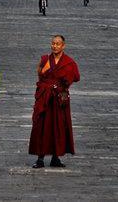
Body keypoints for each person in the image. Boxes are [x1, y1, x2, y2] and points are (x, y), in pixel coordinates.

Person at [29, 35, 80, 169]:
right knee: (42, 126)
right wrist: (44, 73)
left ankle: (55, 158)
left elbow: (75, 77)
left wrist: (60, 87)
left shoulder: (69, 62)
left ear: (63, 46)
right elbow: (40, 74)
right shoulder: (45, 59)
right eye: (53, 44)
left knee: (59, 126)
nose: (55, 46)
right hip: (45, 98)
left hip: (59, 99)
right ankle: (40, 158)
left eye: (58, 44)